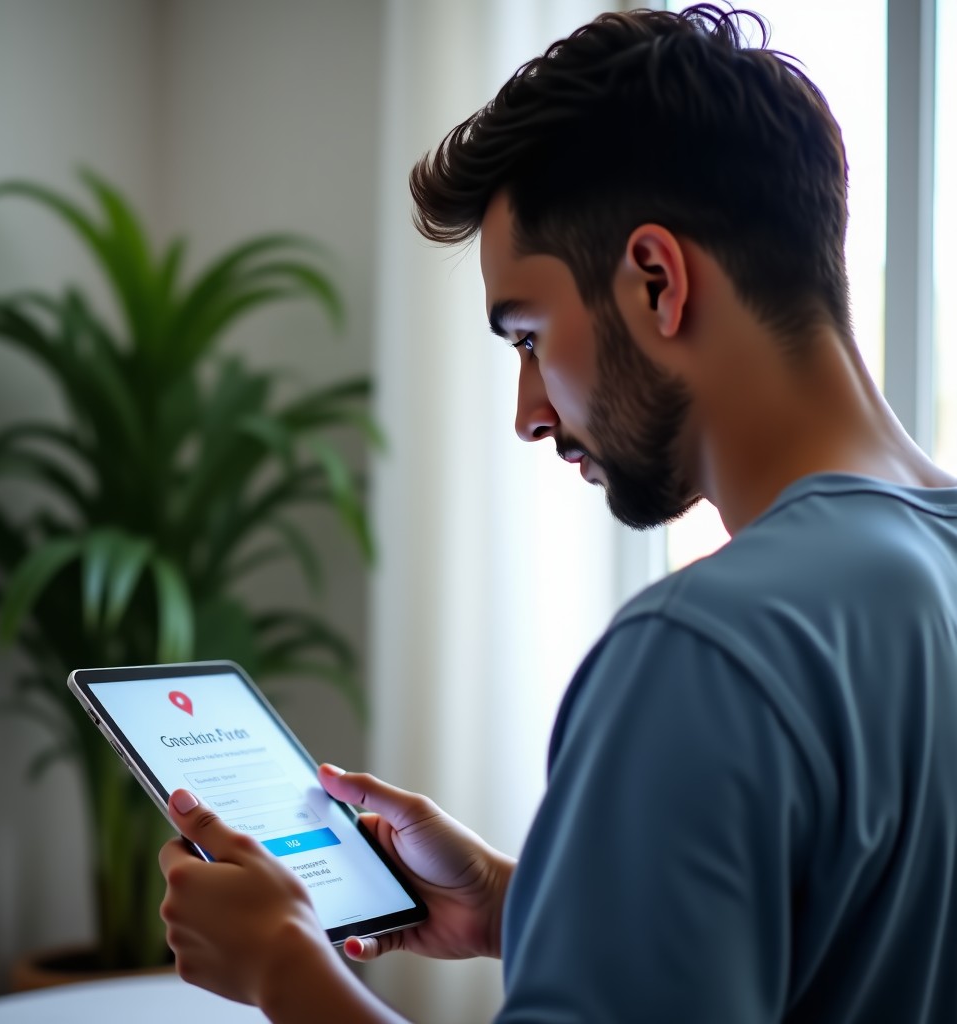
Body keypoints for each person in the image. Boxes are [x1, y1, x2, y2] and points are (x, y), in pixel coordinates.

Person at [158, 5, 957, 1021]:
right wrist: (514, 900)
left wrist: (283, 967)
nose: (529, 414)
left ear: (656, 281)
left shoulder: (705, 650)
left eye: (528, 336)